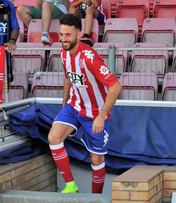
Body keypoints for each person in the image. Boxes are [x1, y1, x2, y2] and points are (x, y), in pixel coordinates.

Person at [48, 14, 121, 193]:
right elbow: (68, 77)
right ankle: (71, 185)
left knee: (96, 161)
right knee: (53, 137)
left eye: (68, 35)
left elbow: (115, 87)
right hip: (74, 106)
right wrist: (65, 101)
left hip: (95, 113)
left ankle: (95, 198)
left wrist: (102, 116)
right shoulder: (63, 53)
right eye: (61, 34)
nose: (63, 39)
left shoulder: (89, 57)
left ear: (78, 34)